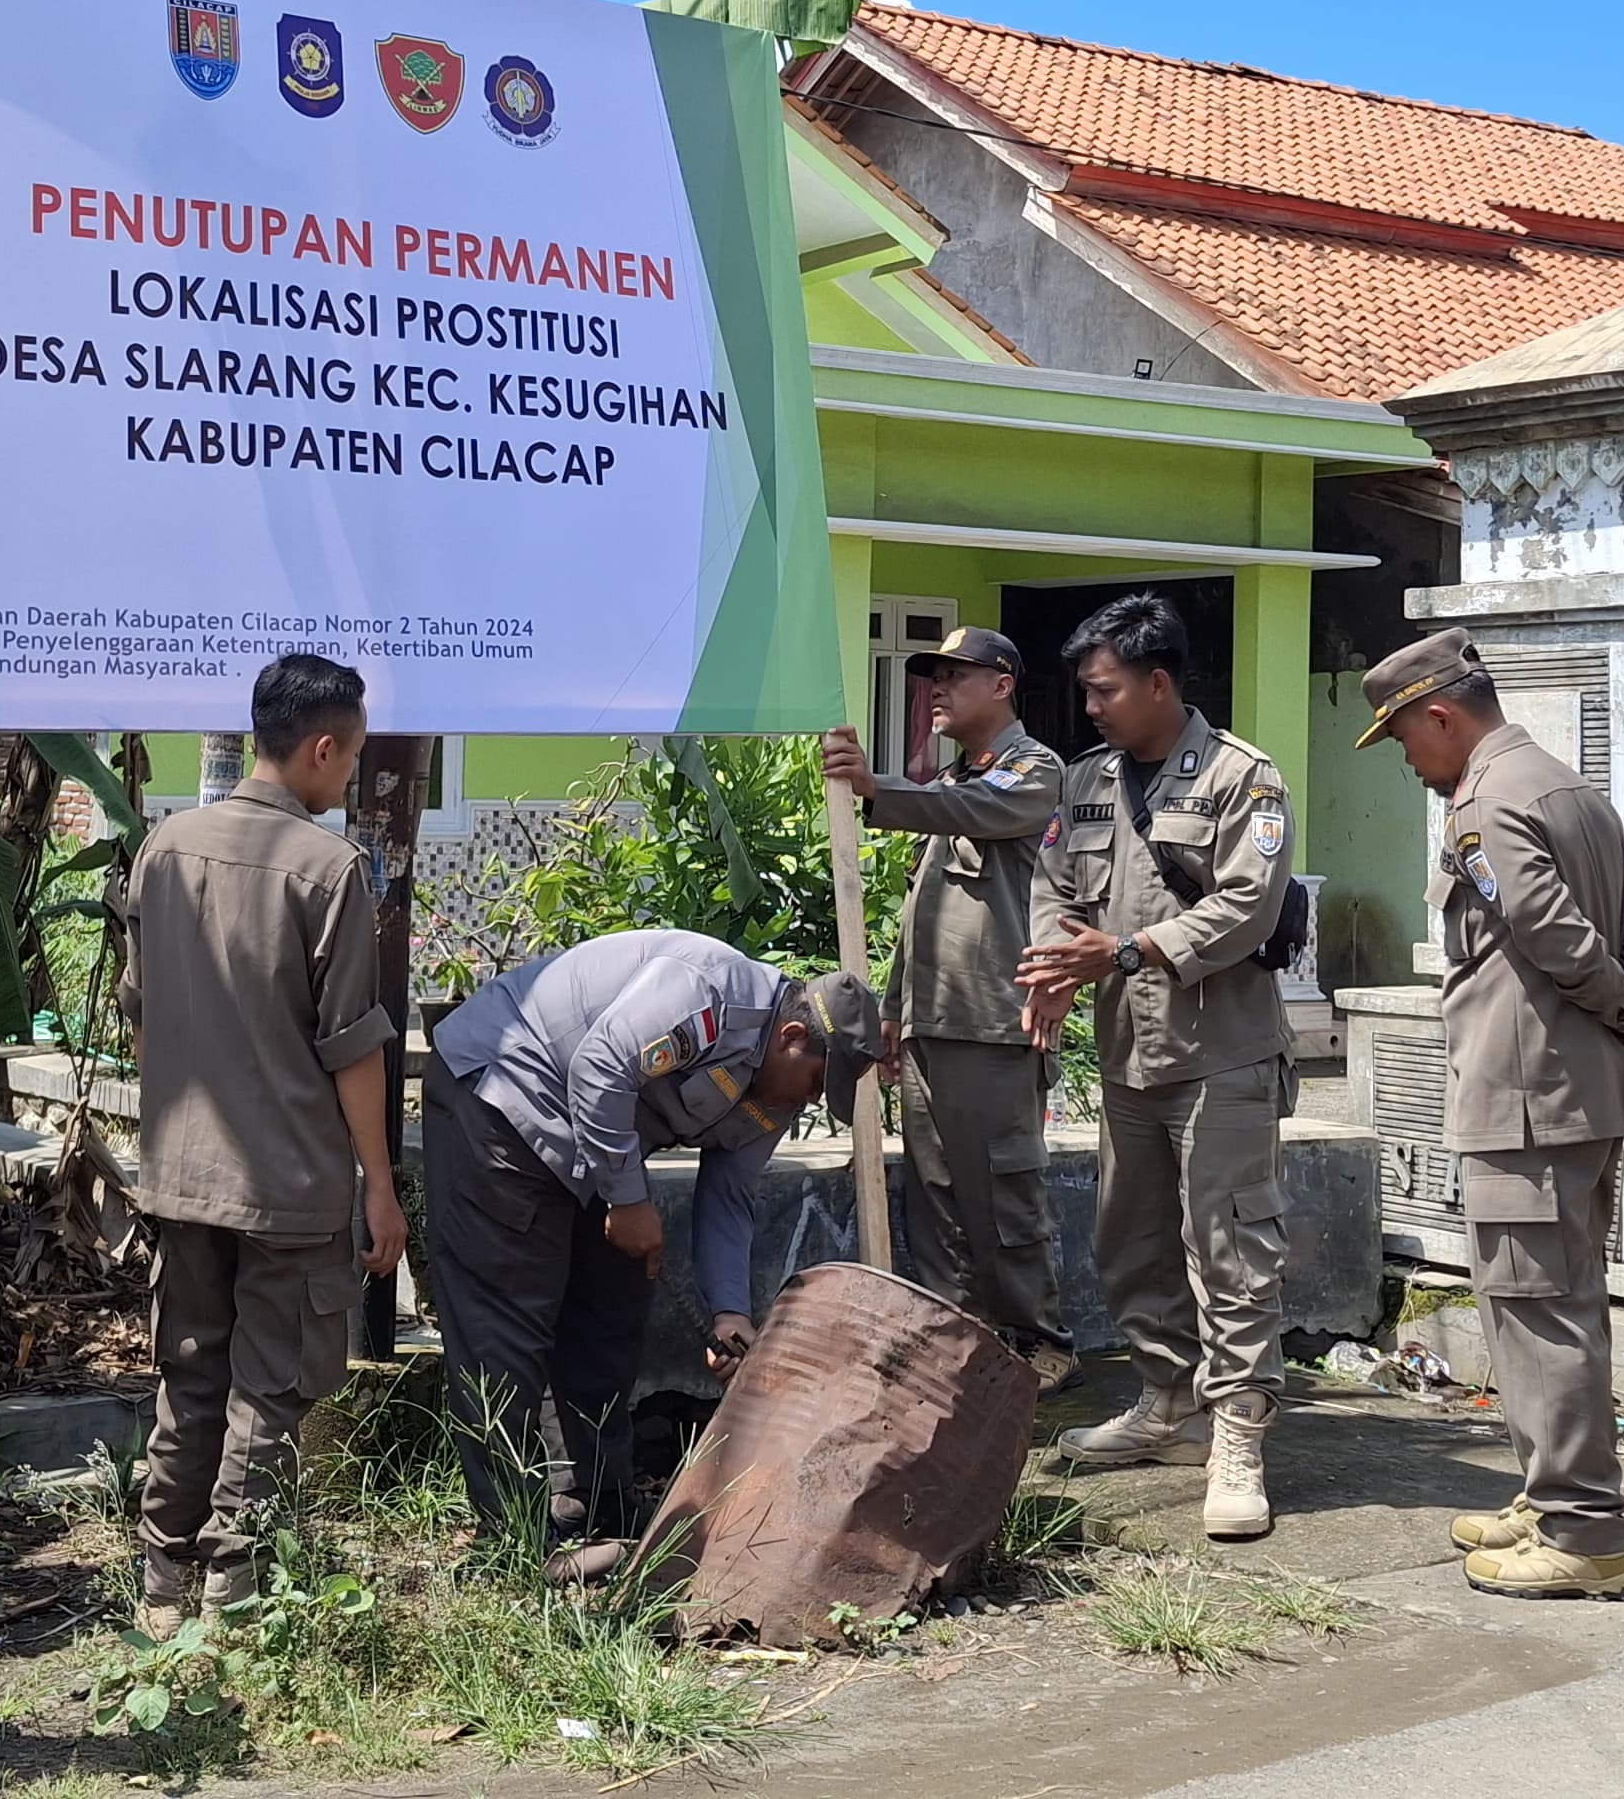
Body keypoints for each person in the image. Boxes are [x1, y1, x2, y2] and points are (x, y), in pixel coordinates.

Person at [1356, 627, 1624, 1602]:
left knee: (1541, 1314)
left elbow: (1558, 934)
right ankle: (1553, 1492)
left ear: (1440, 714)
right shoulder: (1568, 788)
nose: (1411, 761)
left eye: (1406, 739)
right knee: (1545, 1303)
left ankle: (1587, 1530)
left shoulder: (1486, 802)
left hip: (1531, 1099)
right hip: (1565, 1099)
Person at [421, 931, 882, 1578]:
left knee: (612, 1310)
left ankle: (596, 1501)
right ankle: (509, 1545)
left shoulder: (774, 1088)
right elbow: (600, 1064)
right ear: (792, 1037)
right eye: (815, 1081)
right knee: (507, 1329)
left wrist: (729, 1313)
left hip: (595, 1143)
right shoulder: (707, 992)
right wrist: (629, 1201)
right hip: (500, 1096)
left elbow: (730, 1194)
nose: (810, 1100)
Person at [115, 655, 407, 1639]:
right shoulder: (329, 871)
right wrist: (379, 1180)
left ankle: (162, 1579)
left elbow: (143, 1019)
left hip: (181, 1172)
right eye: (352, 758)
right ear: (320, 748)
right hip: (288, 1181)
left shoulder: (164, 848)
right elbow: (351, 1051)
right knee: (268, 1385)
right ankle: (234, 1584)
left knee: (189, 1371)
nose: (350, 777)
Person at [1021, 593, 1297, 1544]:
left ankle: (1238, 1435)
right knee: (1130, 1239)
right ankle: (1167, 1403)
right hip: (1129, 1058)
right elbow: (1053, 890)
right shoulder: (1087, 782)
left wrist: (1131, 951)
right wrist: (1054, 968)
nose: (1090, 707)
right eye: (1085, 691)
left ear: (1159, 682)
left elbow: (1249, 910)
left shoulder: (1240, 780)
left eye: (1104, 690)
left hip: (1222, 1057)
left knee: (1228, 1249)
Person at [819, 626, 1075, 1386]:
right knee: (935, 1203)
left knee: (1002, 1197)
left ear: (1001, 685)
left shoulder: (1032, 772)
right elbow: (923, 911)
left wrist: (876, 789)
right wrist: (896, 1009)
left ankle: (1039, 1343)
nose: (936, 689)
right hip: (935, 1024)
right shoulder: (958, 784)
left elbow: (969, 810)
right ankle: (954, 1346)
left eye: (955, 677)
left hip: (995, 1027)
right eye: (931, 676)